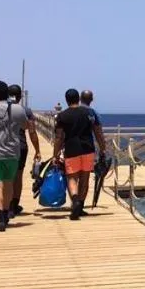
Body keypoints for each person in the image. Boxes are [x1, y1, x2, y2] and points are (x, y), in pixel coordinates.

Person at [0, 80, 41, 231]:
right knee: (9, 184)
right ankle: (6, 213)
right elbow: (26, 127)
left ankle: (0, 219)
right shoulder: (18, 109)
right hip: (12, 153)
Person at [53, 88, 106, 220]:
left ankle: (75, 201)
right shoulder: (89, 113)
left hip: (71, 150)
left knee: (71, 178)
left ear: (66, 100)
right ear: (78, 99)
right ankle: (80, 206)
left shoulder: (62, 116)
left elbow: (59, 137)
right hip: (88, 149)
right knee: (85, 178)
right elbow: (98, 132)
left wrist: (55, 154)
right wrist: (103, 148)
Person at [7, 83, 34, 215]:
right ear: (20, 96)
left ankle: (5, 206)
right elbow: (32, 131)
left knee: (5, 177)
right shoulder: (26, 110)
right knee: (18, 177)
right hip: (20, 146)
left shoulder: (0, 109)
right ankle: (13, 205)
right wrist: (38, 149)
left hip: (2, 146)